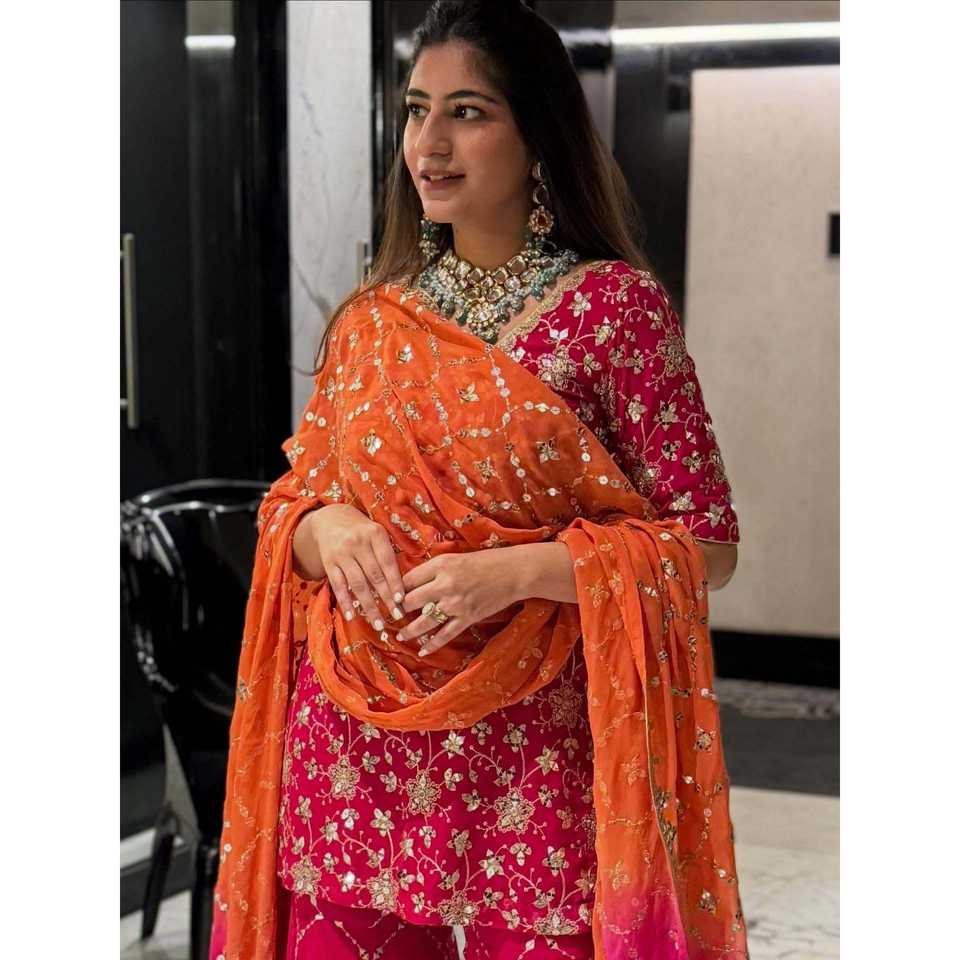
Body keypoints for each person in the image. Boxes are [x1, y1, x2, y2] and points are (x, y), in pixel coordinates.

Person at [209, 2, 748, 959]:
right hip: (357, 743)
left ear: (536, 133)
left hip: (535, 750)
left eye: (468, 112)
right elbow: (294, 501)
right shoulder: (372, 322)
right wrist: (322, 529)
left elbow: (704, 543)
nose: (430, 144)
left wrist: (516, 573)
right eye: (417, 111)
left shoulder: (611, 312)